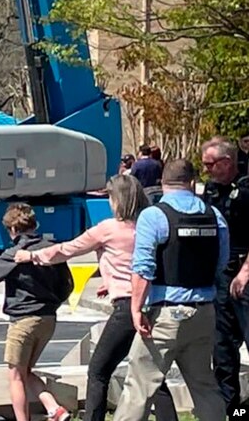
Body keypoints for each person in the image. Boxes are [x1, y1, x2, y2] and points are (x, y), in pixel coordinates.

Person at [15, 176, 178, 421]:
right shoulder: (148, 227)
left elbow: (67, 249)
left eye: (111, 198)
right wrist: (109, 283)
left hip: (125, 308)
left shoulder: (108, 228)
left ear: (118, 200)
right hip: (150, 304)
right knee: (151, 372)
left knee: (98, 371)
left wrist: (32, 257)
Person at [111, 159, 227, 421]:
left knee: (139, 387)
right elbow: (221, 263)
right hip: (204, 312)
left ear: (163, 183)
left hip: (164, 315)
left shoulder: (154, 216)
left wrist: (136, 308)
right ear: (192, 182)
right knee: (204, 386)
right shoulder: (215, 215)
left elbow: (143, 268)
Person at [0, 203, 73, 421]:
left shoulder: (15, 253)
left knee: (15, 376)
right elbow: (67, 285)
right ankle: (55, 409)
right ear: (34, 224)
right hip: (48, 318)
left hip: (23, 320)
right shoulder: (50, 248)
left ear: (12, 229)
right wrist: (52, 303)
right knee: (26, 371)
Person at [200, 137, 249, 413]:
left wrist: (244, 272)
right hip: (220, 276)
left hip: (244, 272)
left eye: (210, 164)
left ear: (227, 162)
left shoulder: (246, 190)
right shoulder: (212, 190)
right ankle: (231, 410)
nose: (206, 169)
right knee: (222, 348)